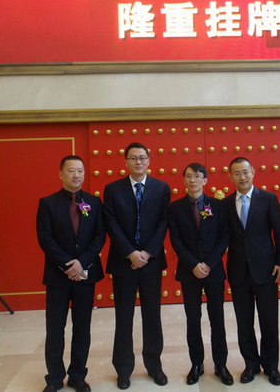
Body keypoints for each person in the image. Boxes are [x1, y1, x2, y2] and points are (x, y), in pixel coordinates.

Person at [103, 142, 171, 390]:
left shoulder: (162, 188)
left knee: (152, 316)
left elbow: (163, 222)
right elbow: (111, 223)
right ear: (126, 162)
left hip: (151, 262)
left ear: (149, 160)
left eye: (142, 157)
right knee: (124, 317)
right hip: (123, 263)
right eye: (133, 158)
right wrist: (131, 252)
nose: (138, 162)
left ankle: (154, 366)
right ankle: (123, 370)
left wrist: (147, 252)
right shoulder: (112, 189)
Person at [36, 155, 106, 392]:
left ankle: (77, 376)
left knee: (82, 328)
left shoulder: (94, 202)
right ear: (61, 174)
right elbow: (45, 239)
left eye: (80, 171)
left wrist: (82, 263)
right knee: (55, 329)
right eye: (71, 171)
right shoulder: (48, 203)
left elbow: (99, 236)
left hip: (86, 275)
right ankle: (54, 378)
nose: (76, 175)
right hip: (58, 276)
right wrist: (68, 265)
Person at [223, 157, 280, 386]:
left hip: (266, 269)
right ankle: (251, 365)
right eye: (237, 173)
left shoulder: (268, 199)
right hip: (238, 271)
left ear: (253, 172)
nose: (242, 177)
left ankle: (271, 366)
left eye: (245, 172)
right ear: (231, 177)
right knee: (244, 323)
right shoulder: (225, 203)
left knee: (269, 321)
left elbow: (279, 233)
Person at [168, 163, 233, 386]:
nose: (192, 180)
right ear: (184, 180)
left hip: (214, 272)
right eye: (188, 176)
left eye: (197, 176)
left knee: (217, 319)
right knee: (193, 320)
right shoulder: (175, 208)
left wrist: (209, 263)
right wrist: (194, 264)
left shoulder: (218, 206)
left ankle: (221, 365)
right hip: (189, 272)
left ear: (205, 180)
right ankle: (196, 364)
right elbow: (175, 240)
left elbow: (224, 236)